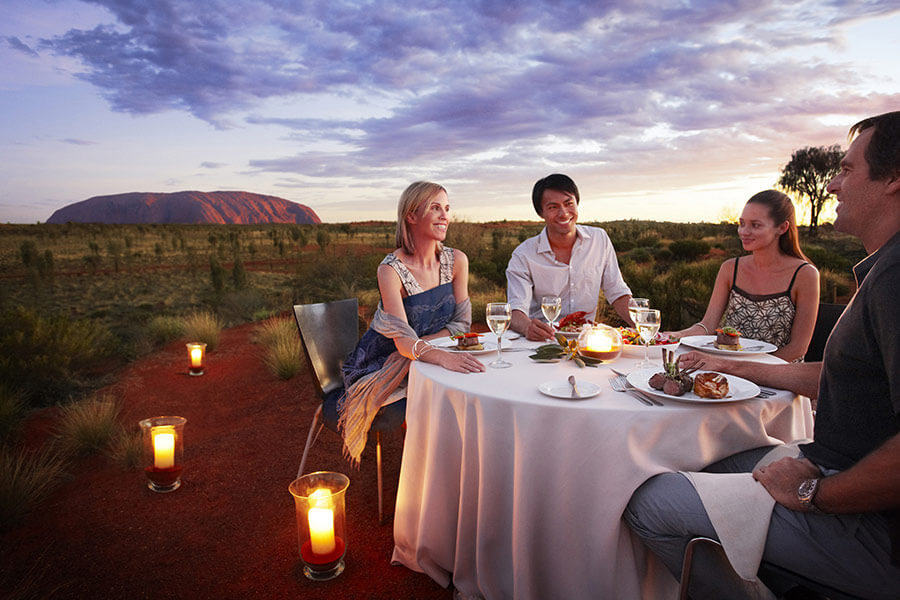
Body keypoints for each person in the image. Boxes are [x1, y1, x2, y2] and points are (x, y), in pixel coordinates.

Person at [625, 112, 900, 599]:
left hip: (874, 525)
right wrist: (728, 364)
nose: (833, 183)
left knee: (647, 500)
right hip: (831, 463)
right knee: (705, 461)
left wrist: (813, 494)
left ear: (894, 180)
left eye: (846, 169)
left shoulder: (895, 278)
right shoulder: (880, 269)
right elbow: (841, 377)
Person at [337, 181, 485, 463]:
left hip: (426, 350)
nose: (445, 215)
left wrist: (429, 349)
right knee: (434, 396)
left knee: (470, 383)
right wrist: (437, 354)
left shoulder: (457, 261)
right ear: (411, 215)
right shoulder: (390, 270)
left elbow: (462, 323)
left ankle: (458, 465)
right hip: (382, 360)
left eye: (447, 208)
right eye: (435, 208)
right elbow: (401, 341)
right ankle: (423, 471)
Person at [667, 190, 819, 362]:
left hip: (779, 374)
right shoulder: (731, 268)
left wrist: (748, 370)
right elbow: (707, 326)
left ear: (782, 228)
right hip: (730, 371)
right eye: (742, 223)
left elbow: (798, 348)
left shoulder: (805, 274)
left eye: (755, 225)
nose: (744, 232)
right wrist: (675, 335)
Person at [506, 173, 633, 341]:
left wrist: (643, 326)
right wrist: (527, 327)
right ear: (541, 213)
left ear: (576, 203)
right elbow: (516, 310)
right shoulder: (523, 255)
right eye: (553, 207)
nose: (563, 213)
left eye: (568, 204)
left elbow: (617, 291)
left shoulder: (599, 239)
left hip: (587, 341)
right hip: (541, 342)